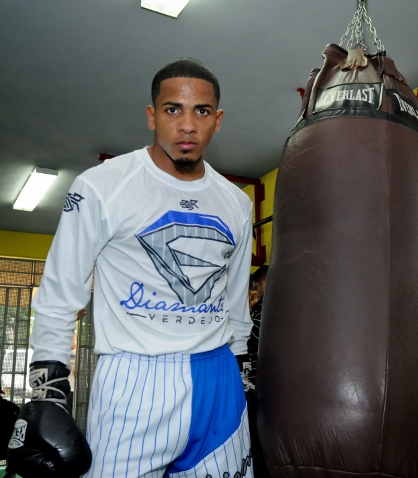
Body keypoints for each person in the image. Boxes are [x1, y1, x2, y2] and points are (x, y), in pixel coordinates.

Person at [17, 58, 254, 478]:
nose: (186, 125)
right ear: (151, 116)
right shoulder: (101, 186)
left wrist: (245, 376)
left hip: (218, 379)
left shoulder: (236, 202)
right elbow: (60, 294)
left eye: (201, 111)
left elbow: (236, 304)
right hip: (134, 379)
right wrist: (48, 392)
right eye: (172, 110)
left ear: (217, 121)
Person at [245, 265, 268, 478]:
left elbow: (252, 341)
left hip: (259, 381)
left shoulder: (266, 310)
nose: (255, 290)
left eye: (257, 285)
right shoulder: (263, 307)